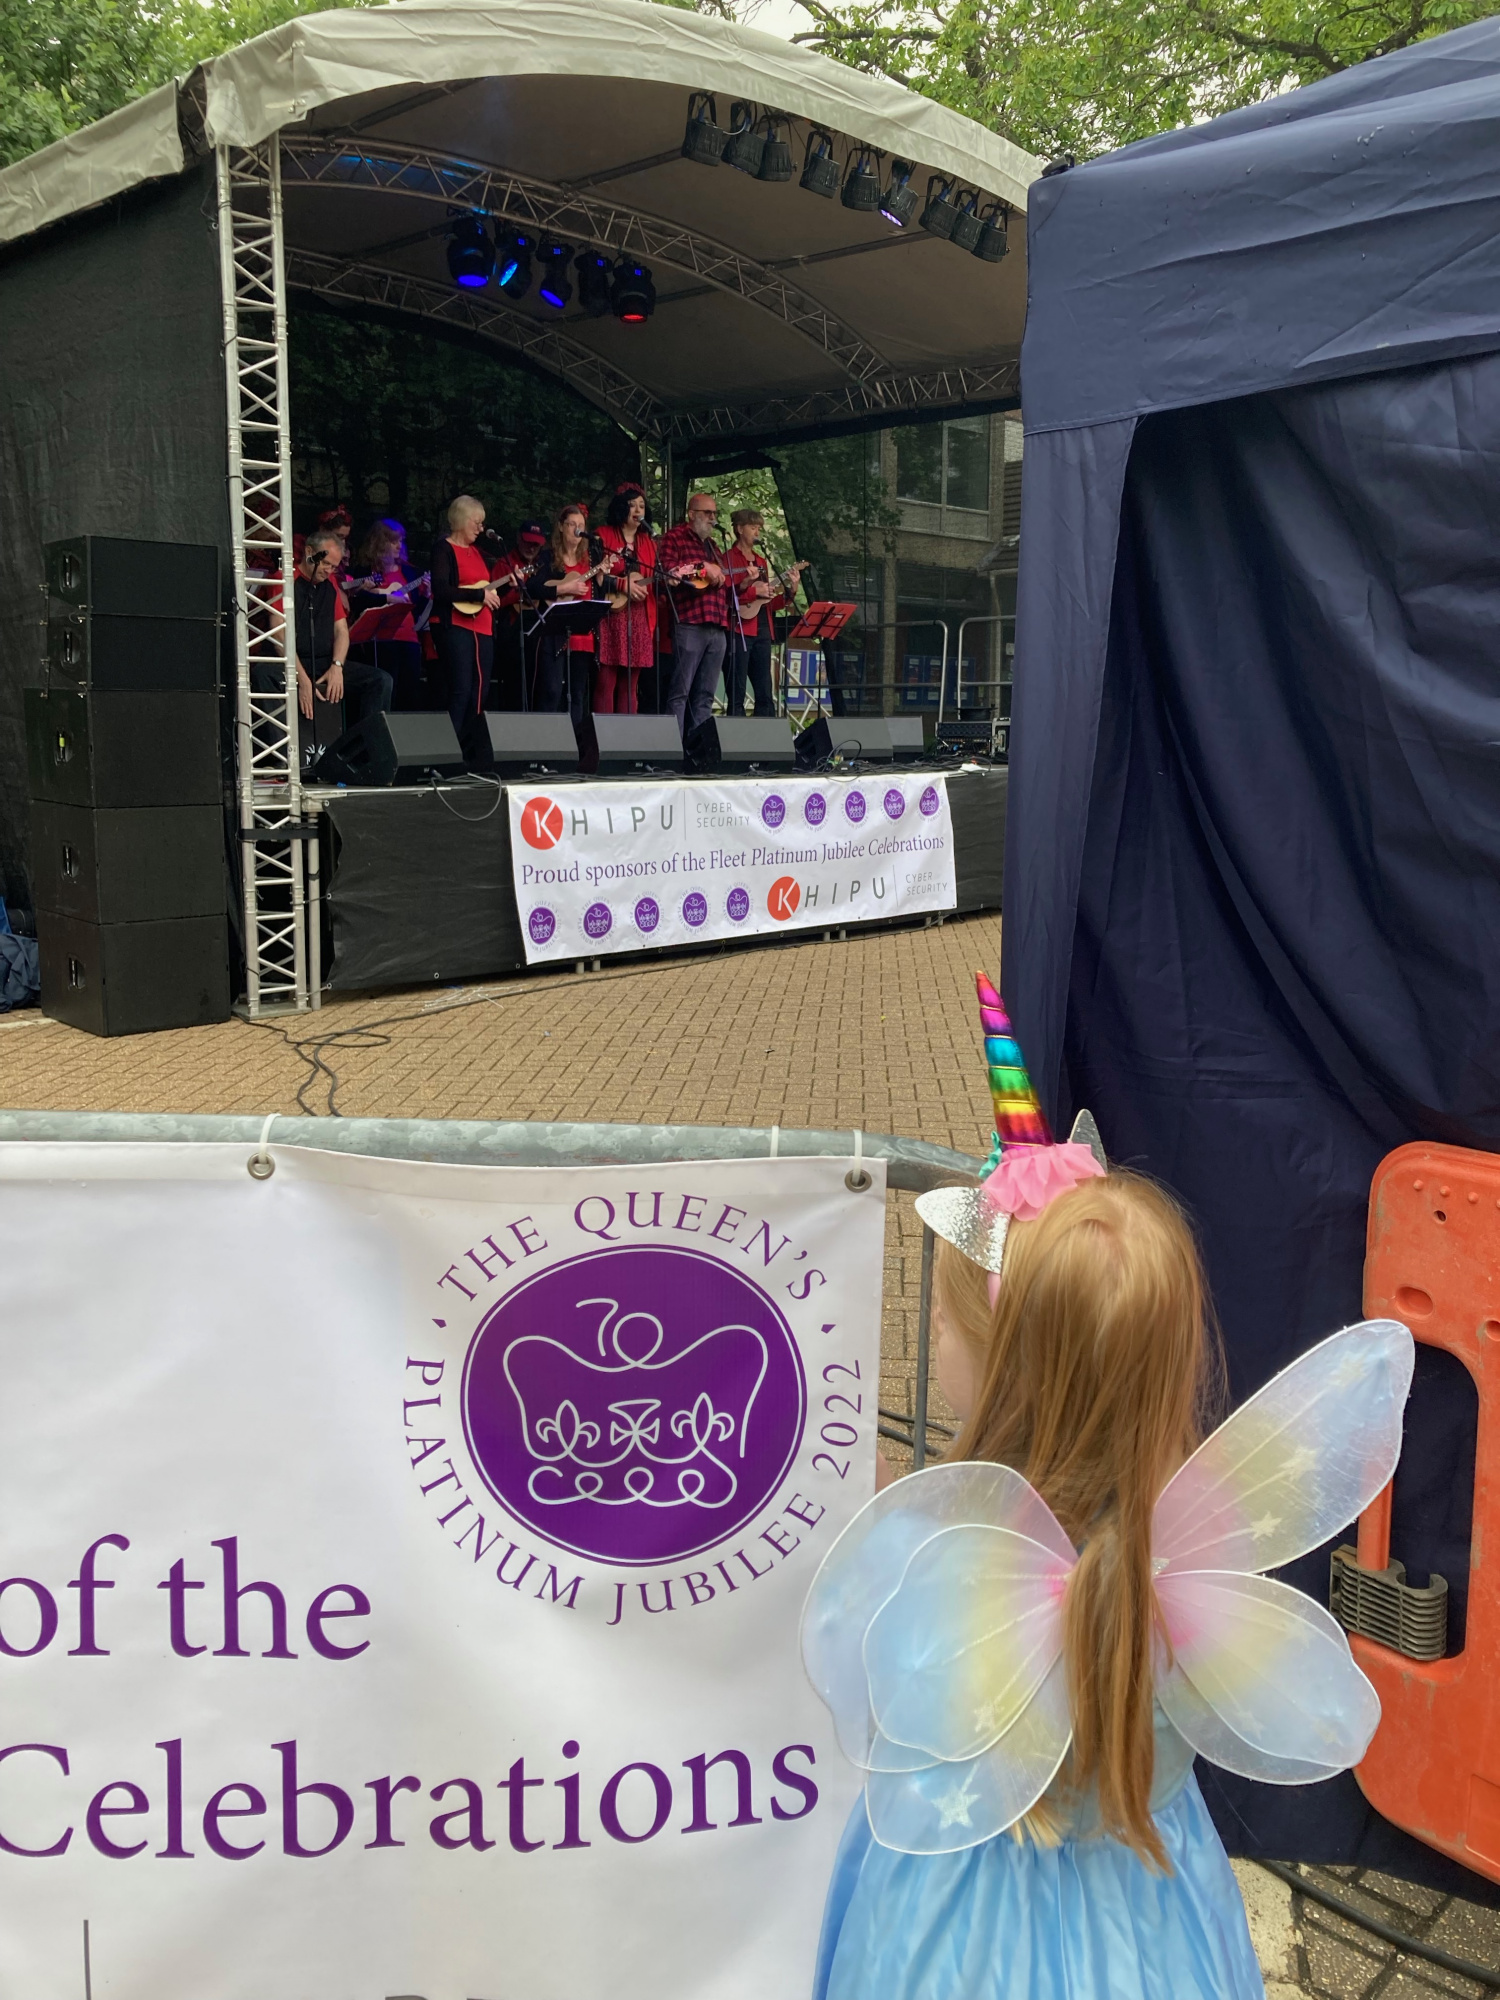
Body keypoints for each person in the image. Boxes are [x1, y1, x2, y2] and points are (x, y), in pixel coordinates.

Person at [803, 973, 1414, 2000]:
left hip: (954, 1929)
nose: (933, 1336)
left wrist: (883, 1513)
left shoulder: (930, 1566)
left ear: (998, 1372)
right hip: (1153, 1918)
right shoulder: (1186, 1576)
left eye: (945, 1325)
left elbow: (882, 1700)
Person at [527, 503, 619, 730]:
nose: (577, 530)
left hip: (583, 635)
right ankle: (546, 739)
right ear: (561, 526)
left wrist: (600, 579)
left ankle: (575, 741)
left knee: (577, 693)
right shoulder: (548, 557)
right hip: (555, 633)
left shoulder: (591, 558)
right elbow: (532, 587)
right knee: (552, 690)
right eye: (572, 525)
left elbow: (598, 596)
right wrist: (563, 589)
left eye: (581, 526)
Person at [290, 530, 392, 727]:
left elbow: (342, 631)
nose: (329, 570)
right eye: (325, 563)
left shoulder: (331, 584)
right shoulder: (285, 580)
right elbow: (279, 636)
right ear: (309, 552)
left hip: (324, 660)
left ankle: (367, 744)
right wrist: (301, 678)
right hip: (294, 662)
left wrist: (337, 666)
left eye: (334, 567)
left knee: (381, 680)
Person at [430, 494, 502, 771]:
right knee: (461, 688)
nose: (481, 528)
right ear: (461, 519)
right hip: (454, 626)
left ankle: (472, 753)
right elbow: (441, 589)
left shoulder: (480, 553)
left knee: (480, 691)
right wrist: (479, 595)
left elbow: (486, 589)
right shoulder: (443, 549)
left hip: (482, 627)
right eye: (477, 522)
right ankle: (447, 754)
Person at [657, 492, 731, 735]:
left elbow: (721, 580)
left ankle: (699, 749)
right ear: (691, 514)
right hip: (689, 622)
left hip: (717, 625)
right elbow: (669, 574)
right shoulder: (674, 538)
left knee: (706, 695)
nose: (712, 518)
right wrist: (703, 569)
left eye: (714, 513)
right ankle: (674, 748)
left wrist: (719, 578)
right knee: (680, 692)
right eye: (707, 513)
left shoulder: (713, 546)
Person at [722, 509, 806, 719]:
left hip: (762, 631)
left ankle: (764, 735)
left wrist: (791, 589)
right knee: (737, 692)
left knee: (765, 692)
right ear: (740, 529)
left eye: (759, 528)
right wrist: (753, 591)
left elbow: (767, 603)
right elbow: (726, 597)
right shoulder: (727, 559)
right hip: (739, 631)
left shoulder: (761, 561)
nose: (757, 532)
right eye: (753, 528)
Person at [347, 519, 429, 711]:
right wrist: (385, 597)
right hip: (380, 638)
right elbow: (357, 599)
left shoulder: (409, 571)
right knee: (386, 690)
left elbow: (415, 607)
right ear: (380, 542)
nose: (399, 546)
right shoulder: (365, 571)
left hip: (409, 637)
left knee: (409, 693)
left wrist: (425, 594)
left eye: (400, 541)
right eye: (393, 541)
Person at [594, 483, 658, 716]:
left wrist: (671, 579)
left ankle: (627, 733)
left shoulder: (649, 543)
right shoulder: (603, 535)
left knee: (630, 685)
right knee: (606, 681)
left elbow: (652, 579)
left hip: (640, 616)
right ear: (621, 507)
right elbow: (595, 576)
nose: (638, 510)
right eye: (632, 505)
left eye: (642, 506)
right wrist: (622, 584)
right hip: (610, 615)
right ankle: (603, 733)